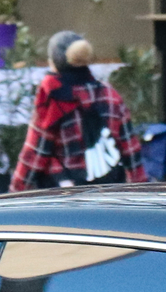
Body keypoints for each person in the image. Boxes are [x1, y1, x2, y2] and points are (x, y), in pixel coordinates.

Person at [11, 31, 141, 191]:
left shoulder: (52, 97)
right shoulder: (109, 94)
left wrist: (15, 193)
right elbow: (130, 148)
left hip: (67, 196)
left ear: (54, 62)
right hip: (110, 192)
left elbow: (36, 152)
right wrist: (140, 191)